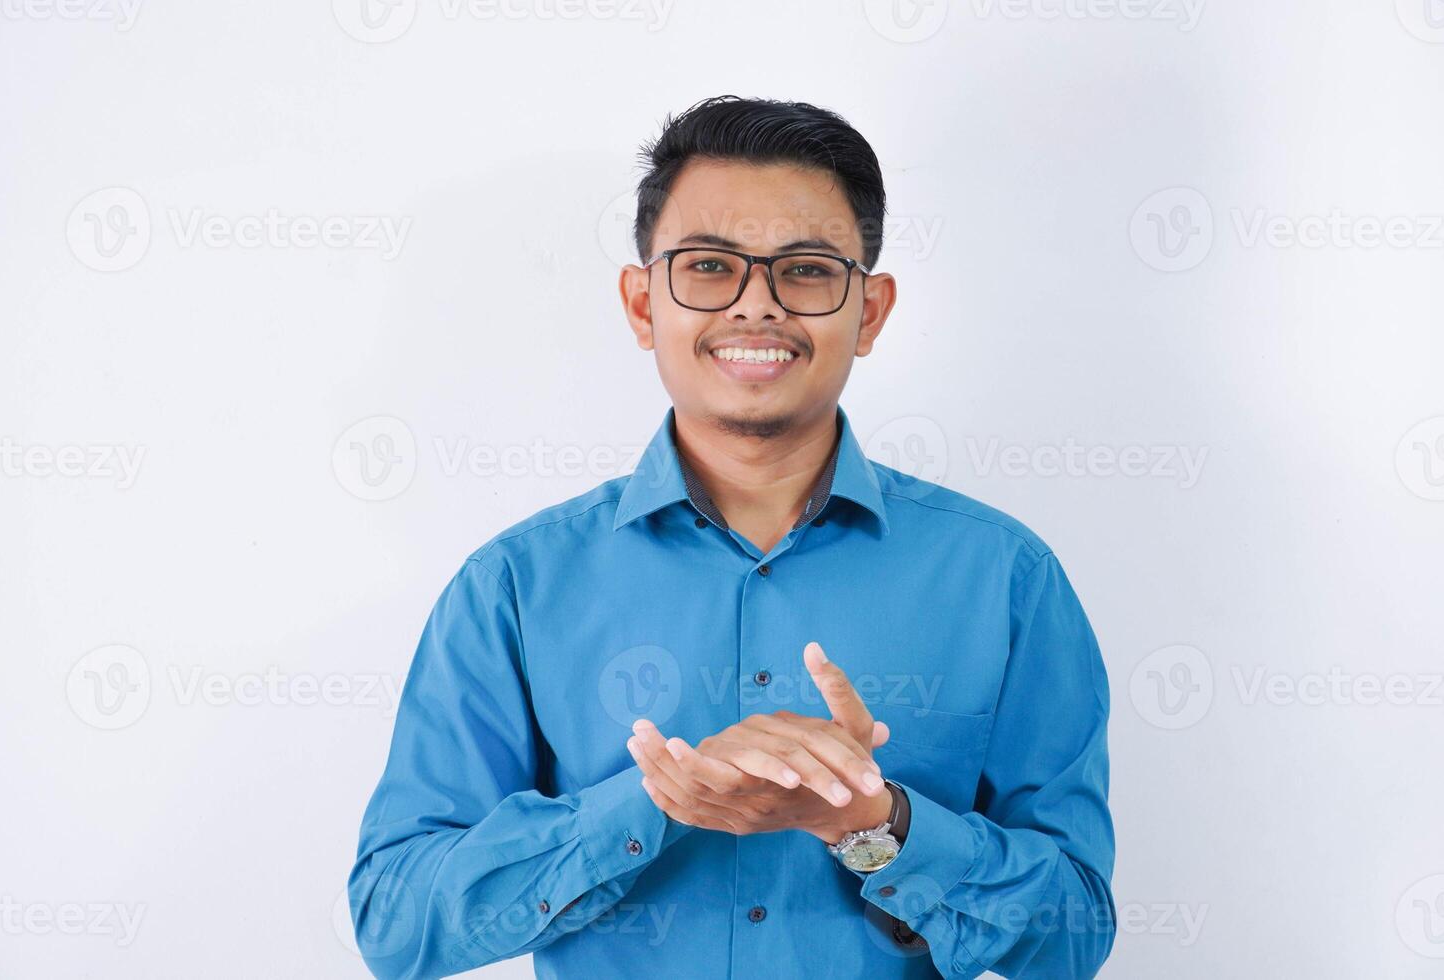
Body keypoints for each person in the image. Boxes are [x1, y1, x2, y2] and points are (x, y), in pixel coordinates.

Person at [349, 94, 1116, 979]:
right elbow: (397, 925)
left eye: (807, 270)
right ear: (643, 304)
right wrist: (652, 805)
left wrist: (875, 828)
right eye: (710, 267)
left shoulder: (1005, 580)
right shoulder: (515, 586)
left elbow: (1072, 938)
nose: (757, 307)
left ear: (868, 311)